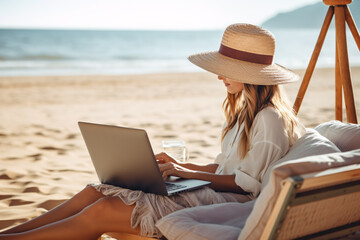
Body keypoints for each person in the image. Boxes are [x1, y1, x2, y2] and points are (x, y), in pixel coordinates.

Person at [0, 23, 305, 240]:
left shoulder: (269, 119)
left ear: (248, 74)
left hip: (232, 204)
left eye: (226, 69)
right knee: (95, 191)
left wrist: (189, 174)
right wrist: (181, 168)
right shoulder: (245, 114)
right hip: (217, 190)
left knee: (101, 210)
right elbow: (226, 168)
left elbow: (245, 185)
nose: (219, 76)